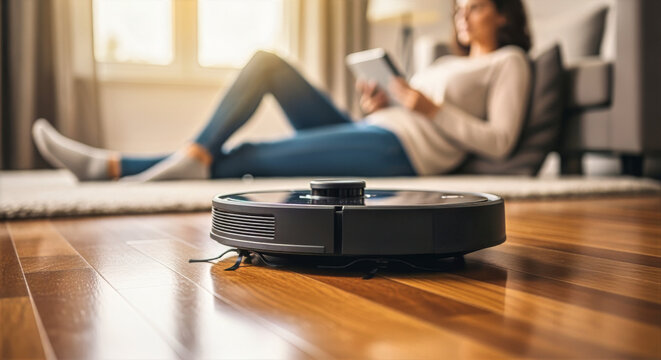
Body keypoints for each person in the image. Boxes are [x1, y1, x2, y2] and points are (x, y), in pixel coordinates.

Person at [32, 0, 531, 182]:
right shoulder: (443, 60)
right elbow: (414, 108)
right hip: (374, 128)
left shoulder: (510, 62)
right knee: (267, 64)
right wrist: (382, 101)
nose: (462, 13)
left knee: (252, 154)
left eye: (476, 6)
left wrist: (430, 108)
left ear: (503, 14)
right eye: (460, 7)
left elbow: (501, 140)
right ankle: (194, 151)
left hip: (400, 152)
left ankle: (111, 166)